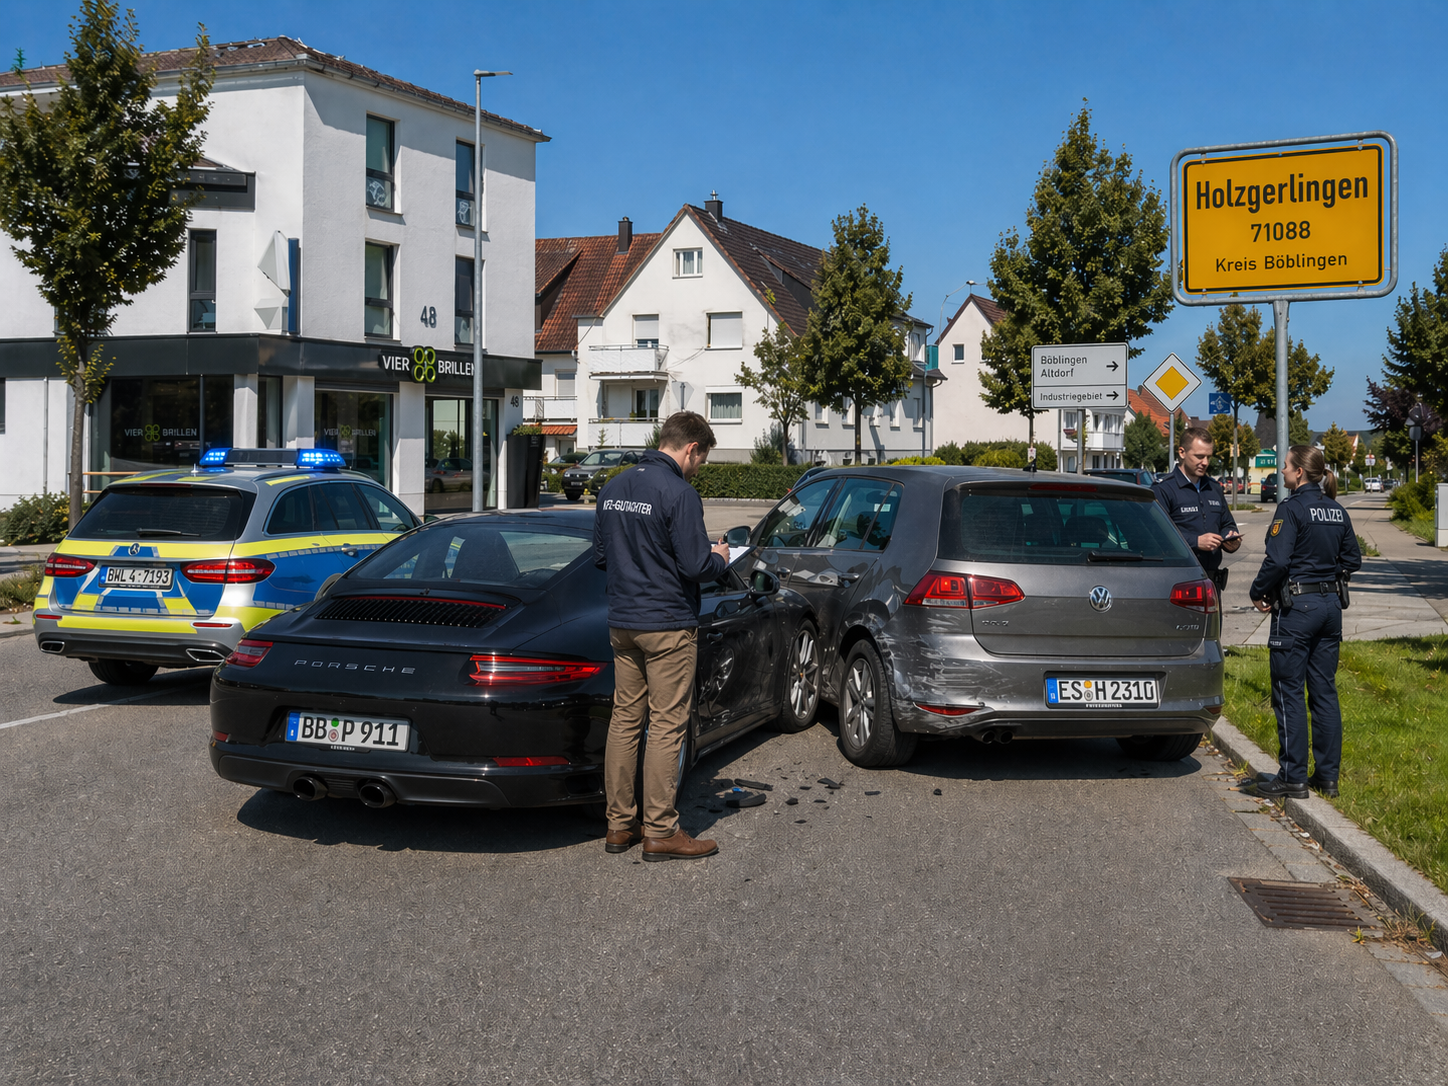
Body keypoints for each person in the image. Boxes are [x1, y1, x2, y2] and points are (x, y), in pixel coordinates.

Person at [592, 411, 731, 861]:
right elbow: (695, 566)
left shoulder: (613, 487)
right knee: (667, 726)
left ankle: (618, 825)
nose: (698, 468)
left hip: (623, 622)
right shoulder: (680, 493)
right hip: (668, 624)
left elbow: (600, 556)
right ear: (691, 448)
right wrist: (721, 558)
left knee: (625, 720)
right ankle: (661, 830)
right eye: (701, 460)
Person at [1244, 445, 1362, 800]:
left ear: (1299, 473)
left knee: (1288, 690)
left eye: (1285, 467)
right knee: (1324, 692)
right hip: (1330, 608)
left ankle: (1292, 776)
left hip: (1297, 609)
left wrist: (1257, 591)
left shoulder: (1291, 508)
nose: (1281, 472)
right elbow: (1353, 559)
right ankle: (1327, 778)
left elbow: (1278, 561)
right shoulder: (1336, 510)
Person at [1152, 426, 1242, 593]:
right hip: (1178, 581)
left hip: (1211, 583)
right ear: (1182, 452)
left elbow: (1227, 523)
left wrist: (1230, 536)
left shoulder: (1214, 488)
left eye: (1208, 457)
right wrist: (1196, 542)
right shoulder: (1164, 489)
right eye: (1199, 456)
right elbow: (1156, 534)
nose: (1205, 462)